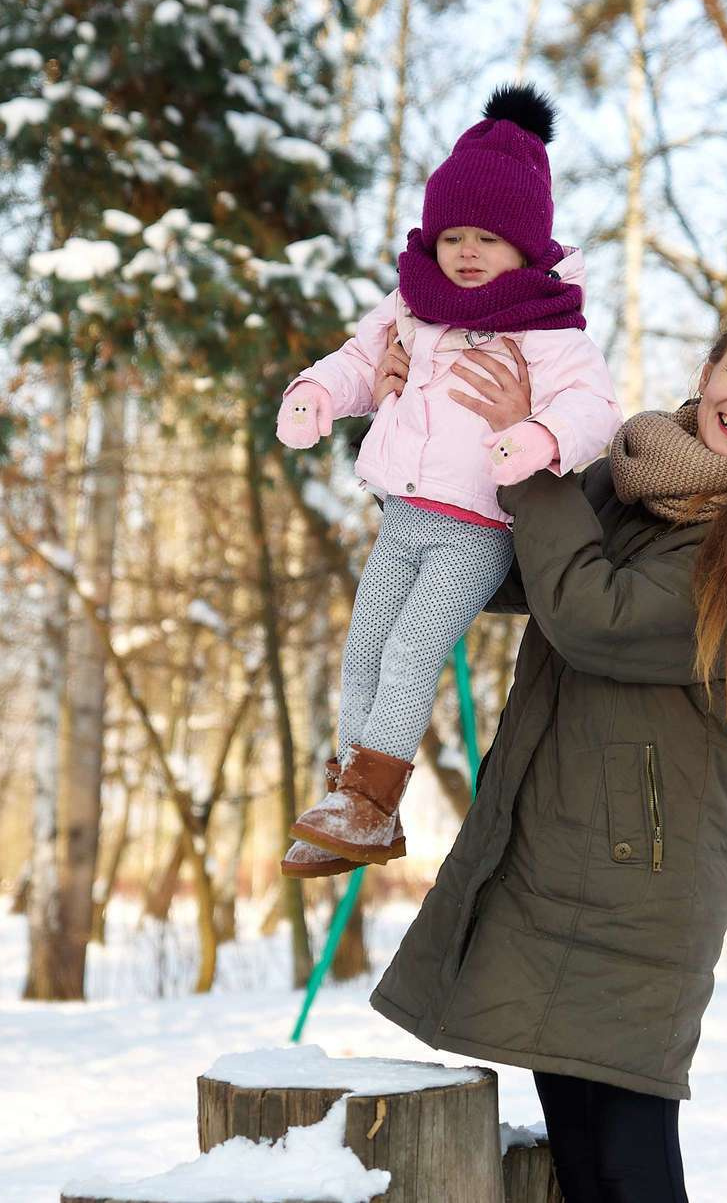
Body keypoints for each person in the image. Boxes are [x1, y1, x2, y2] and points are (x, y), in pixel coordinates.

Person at [369, 300, 727, 1202]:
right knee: (580, 1151)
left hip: (647, 872)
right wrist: (423, 433)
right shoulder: (631, 474)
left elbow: (597, 617)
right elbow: (513, 569)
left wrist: (527, 459)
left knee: (630, 1158)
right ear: (710, 369)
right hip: (555, 846)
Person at [274, 85, 621, 877]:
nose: (467, 251)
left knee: (409, 652)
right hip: (402, 517)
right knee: (363, 650)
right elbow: (361, 361)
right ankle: (349, 793)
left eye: (488, 238)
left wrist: (538, 434)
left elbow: (594, 408)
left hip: (477, 528)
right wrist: (317, 394)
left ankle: (371, 797)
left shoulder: (547, 325)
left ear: (526, 247)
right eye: (454, 234)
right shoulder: (414, 306)